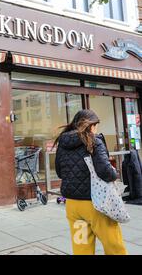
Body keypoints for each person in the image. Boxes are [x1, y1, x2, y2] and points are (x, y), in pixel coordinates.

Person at [54, 109, 127, 255]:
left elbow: (59, 172)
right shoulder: (93, 140)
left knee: (82, 248)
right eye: (96, 125)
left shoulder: (63, 142)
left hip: (73, 205)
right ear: (91, 125)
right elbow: (105, 172)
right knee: (114, 245)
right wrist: (115, 173)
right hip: (96, 203)